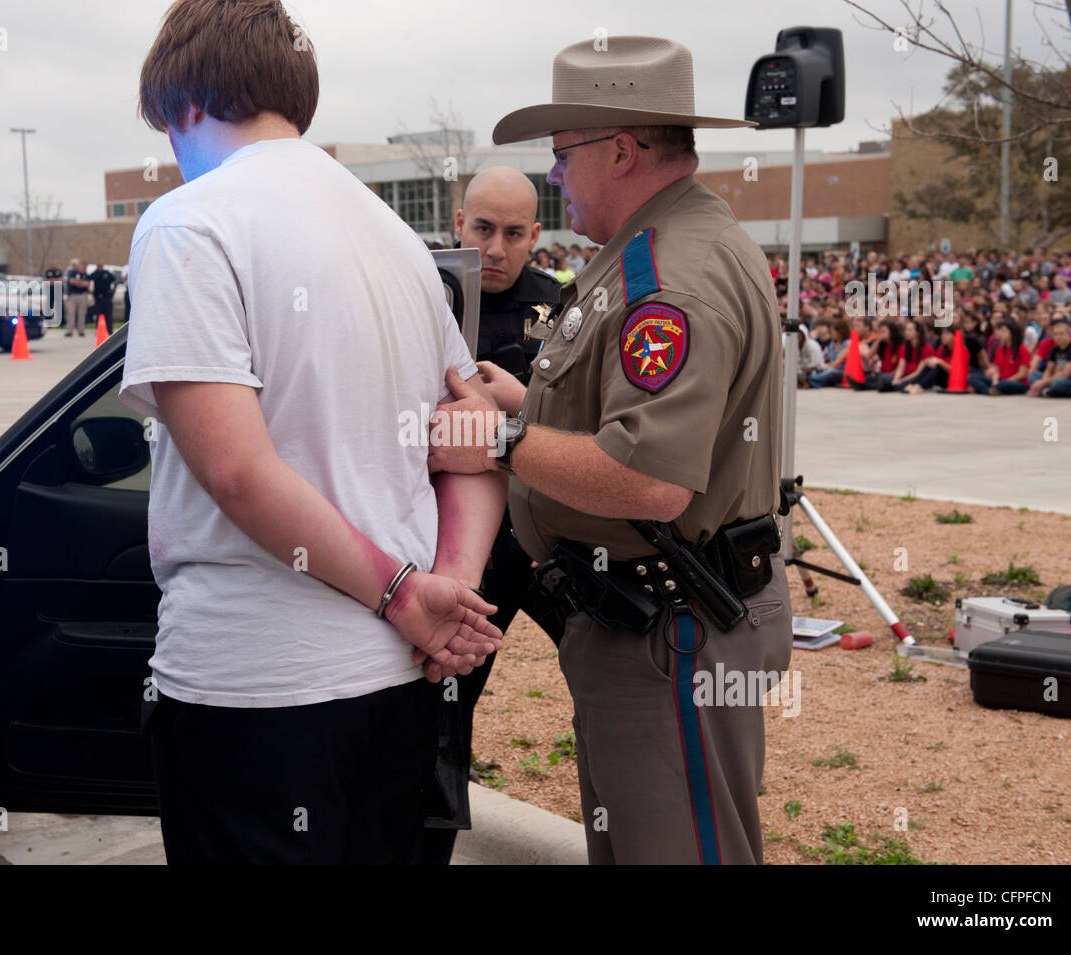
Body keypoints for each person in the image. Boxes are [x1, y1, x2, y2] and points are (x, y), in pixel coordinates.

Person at [120, 0, 504, 865]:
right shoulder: (401, 243)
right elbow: (474, 444)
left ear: (184, 102)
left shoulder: (189, 223)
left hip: (254, 686)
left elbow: (238, 473)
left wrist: (408, 594)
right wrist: (449, 586)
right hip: (398, 686)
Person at [431, 35, 792, 865]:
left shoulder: (669, 276)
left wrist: (496, 440)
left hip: (672, 631)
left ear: (621, 150)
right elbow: (623, 415)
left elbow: (649, 474)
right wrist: (525, 401)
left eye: (563, 156)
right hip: (649, 624)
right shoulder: (654, 246)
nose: (556, 177)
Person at [418, 166, 565, 865]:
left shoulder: (565, 308)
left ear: (536, 234)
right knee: (442, 707)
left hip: (550, 543)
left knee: (612, 682)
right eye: (483, 229)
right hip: (460, 547)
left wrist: (521, 406)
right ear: (458, 222)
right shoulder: (421, 296)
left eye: (513, 233)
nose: (496, 248)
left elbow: (599, 429)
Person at [1029, 317, 1071, 397]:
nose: (1058, 337)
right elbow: (1049, 369)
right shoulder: (1055, 349)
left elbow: (1066, 374)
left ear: (1068, 333)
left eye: (1061, 333)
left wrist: (1043, 383)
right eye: (1055, 334)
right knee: (1033, 375)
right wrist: (1043, 381)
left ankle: (1049, 390)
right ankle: (1047, 391)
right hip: (1055, 378)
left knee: (1057, 383)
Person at [969, 319, 1031, 395]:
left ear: (1012, 333)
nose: (1000, 334)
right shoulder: (999, 349)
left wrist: (1006, 381)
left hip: (1016, 382)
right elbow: (996, 369)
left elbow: (1022, 374)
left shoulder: (1022, 349)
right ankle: (989, 391)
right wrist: (995, 379)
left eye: (1004, 331)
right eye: (1000, 331)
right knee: (972, 377)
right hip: (1001, 380)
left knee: (1004, 385)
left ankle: (988, 389)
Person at [65, 258, 91, 336]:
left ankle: (81, 331)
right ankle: (69, 331)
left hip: (82, 295)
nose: (84, 268)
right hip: (73, 295)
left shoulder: (86, 275)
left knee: (81, 314)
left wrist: (78, 283)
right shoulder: (73, 273)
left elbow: (87, 284)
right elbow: (72, 281)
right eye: (83, 266)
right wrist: (80, 283)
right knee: (71, 313)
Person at [90, 264, 117, 332]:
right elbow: (89, 281)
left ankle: (110, 329)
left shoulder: (107, 273)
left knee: (108, 314)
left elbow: (115, 281)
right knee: (98, 314)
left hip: (107, 297)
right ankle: (99, 329)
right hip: (98, 297)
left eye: (100, 266)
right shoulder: (94, 274)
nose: (99, 267)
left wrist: (113, 292)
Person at [43, 259, 64, 323]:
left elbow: (62, 280)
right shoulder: (47, 272)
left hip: (58, 292)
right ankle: (48, 321)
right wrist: (55, 281)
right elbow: (45, 281)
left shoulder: (59, 271)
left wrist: (53, 281)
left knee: (59, 306)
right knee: (49, 306)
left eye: (54, 264)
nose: (53, 265)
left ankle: (61, 322)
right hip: (50, 291)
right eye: (52, 264)